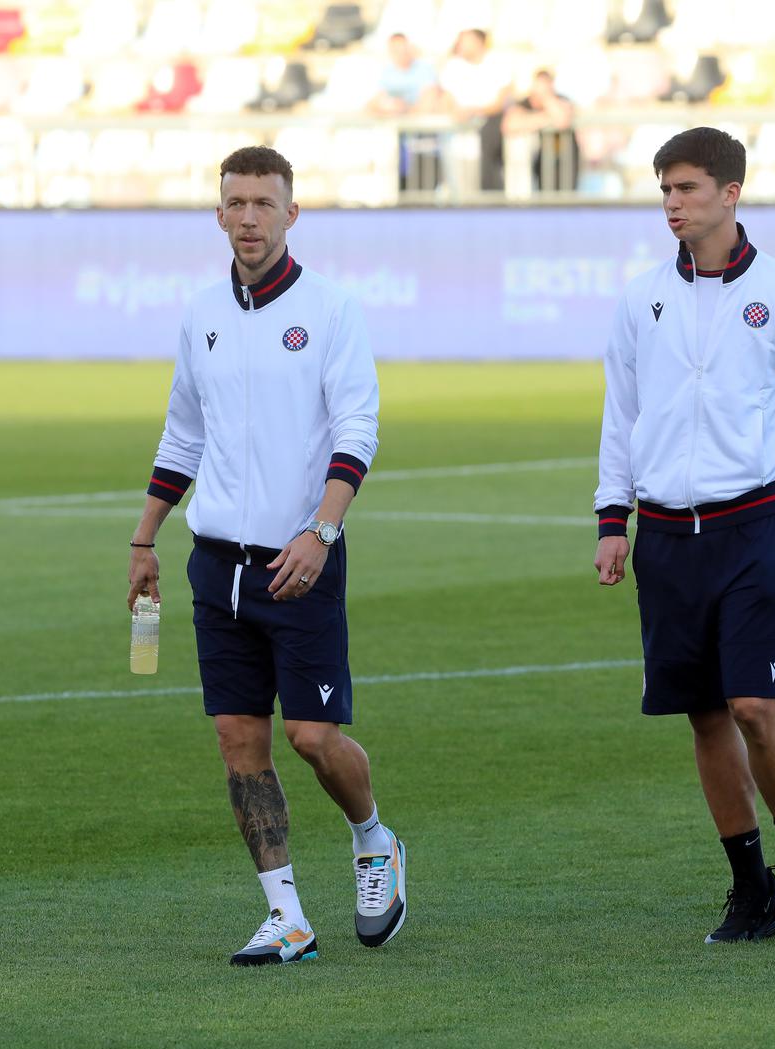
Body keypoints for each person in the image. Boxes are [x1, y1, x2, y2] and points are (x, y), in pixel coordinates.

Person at [127, 145, 405, 966]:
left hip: (299, 562)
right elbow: (184, 435)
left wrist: (319, 531)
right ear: (218, 213)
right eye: (235, 202)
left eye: (263, 202)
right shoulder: (202, 313)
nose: (248, 217)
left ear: (291, 212)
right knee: (237, 743)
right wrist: (144, 536)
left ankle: (373, 839)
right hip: (215, 565)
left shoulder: (329, 310)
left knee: (313, 738)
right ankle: (285, 914)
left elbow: (357, 430)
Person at [592, 127, 775, 944]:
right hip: (665, 535)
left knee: (753, 704)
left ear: (730, 194)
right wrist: (611, 519)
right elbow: (621, 416)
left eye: (688, 189)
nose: (673, 203)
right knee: (703, 714)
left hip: (753, 524)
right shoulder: (638, 298)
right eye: (665, 189)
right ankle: (750, 888)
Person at [368, 32, 441, 193]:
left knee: (423, 188)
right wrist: (387, 109)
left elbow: (429, 102)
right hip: (398, 144)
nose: (401, 54)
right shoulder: (387, 73)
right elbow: (372, 105)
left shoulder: (424, 70)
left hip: (422, 140)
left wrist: (405, 110)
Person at [438, 28, 509, 192]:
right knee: (462, 188)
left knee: (488, 184)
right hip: (458, 136)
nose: (460, 45)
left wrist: (474, 111)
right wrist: (456, 113)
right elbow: (446, 99)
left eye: (465, 41)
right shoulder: (453, 66)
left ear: (479, 42)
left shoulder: (497, 64)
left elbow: (500, 102)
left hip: (490, 135)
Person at [501, 69, 580, 193]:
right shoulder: (524, 103)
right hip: (537, 163)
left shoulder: (561, 99)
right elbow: (509, 125)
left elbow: (562, 120)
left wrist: (547, 99)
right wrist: (547, 118)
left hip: (561, 163)